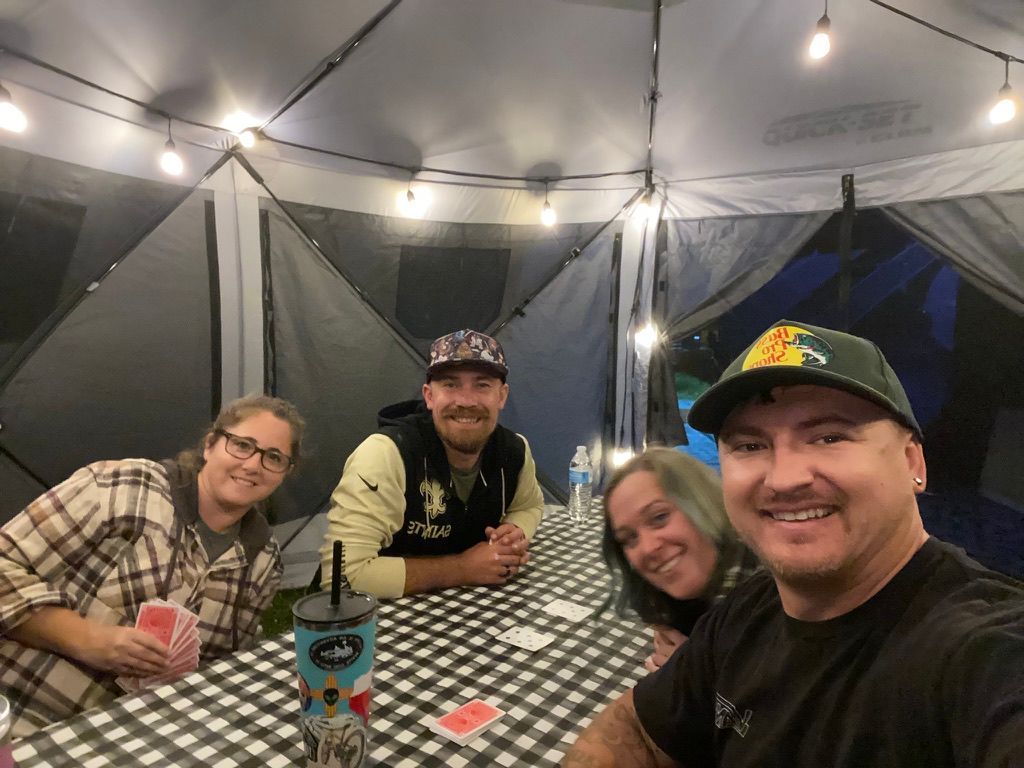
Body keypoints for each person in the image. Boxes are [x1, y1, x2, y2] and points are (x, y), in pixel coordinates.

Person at [564, 320, 1024, 767]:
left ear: (911, 461)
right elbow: (640, 730)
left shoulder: (981, 651)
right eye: (749, 446)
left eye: (829, 436)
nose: (784, 479)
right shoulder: (746, 612)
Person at [0, 394, 304, 737]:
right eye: (242, 445)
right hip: (25, 715)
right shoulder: (122, 487)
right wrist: (88, 639)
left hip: (144, 738)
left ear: (285, 472)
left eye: (274, 457)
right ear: (210, 445)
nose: (253, 465)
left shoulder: (262, 560)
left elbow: (225, 667)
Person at [320, 329, 544, 599]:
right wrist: (462, 568)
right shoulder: (385, 455)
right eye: (450, 384)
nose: (466, 401)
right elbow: (343, 578)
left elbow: (529, 505)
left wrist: (515, 531)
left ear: (502, 396)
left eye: (482, 385)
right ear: (429, 396)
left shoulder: (515, 451)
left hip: (480, 612)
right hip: (382, 621)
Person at [602, 447, 759, 672]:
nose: (647, 548)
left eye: (660, 517)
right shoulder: (679, 603)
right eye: (629, 538)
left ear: (703, 502)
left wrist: (693, 674)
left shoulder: (767, 601)